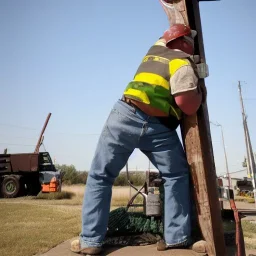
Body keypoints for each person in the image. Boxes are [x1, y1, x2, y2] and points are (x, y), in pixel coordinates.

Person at [71, 23, 205, 255]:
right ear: (184, 44)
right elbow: (188, 105)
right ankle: (176, 237)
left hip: (124, 116)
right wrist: (200, 89)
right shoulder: (182, 65)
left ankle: (91, 241)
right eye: (190, 42)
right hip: (158, 128)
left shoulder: (155, 49)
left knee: (100, 176)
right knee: (176, 175)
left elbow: (167, 37)